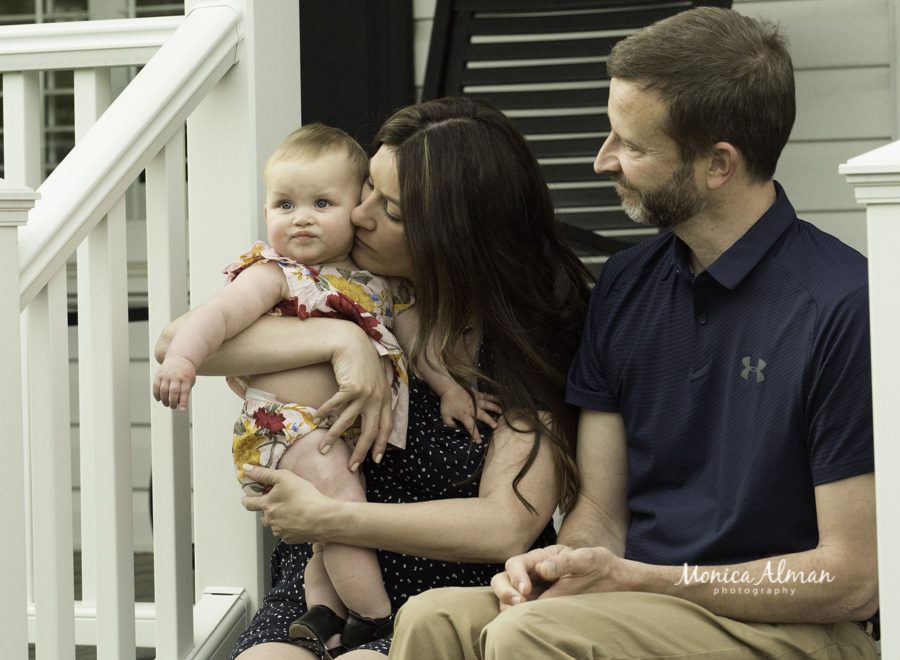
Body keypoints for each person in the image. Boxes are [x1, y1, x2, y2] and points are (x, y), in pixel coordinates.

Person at [388, 7, 879, 659]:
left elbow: (849, 581)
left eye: (633, 146)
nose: (602, 161)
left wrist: (643, 581)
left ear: (718, 165)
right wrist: (552, 568)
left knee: (529, 636)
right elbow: (602, 517)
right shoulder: (624, 285)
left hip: (794, 629)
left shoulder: (846, 305)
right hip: (640, 602)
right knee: (434, 617)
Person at [154, 96, 593, 659]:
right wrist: (344, 340)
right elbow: (177, 342)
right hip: (318, 595)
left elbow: (506, 525)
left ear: (453, 233)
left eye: (391, 209)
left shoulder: (524, 339)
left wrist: (331, 516)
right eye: (367, 190)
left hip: (451, 600)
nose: (359, 214)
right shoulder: (330, 297)